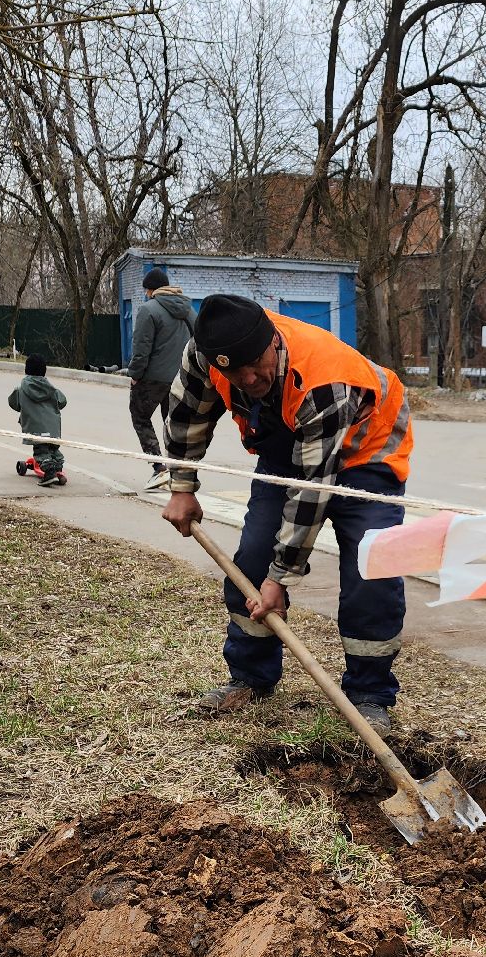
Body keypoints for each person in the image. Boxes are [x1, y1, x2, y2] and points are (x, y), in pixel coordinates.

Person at [159, 295, 413, 734]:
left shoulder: (324, 376)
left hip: (366, 455)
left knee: (372, 570)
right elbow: (186, 414)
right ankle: (251, 678)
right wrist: (181, 486)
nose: (250, 378)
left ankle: (369, 696)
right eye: (236, 373)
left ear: (272, 341)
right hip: (285, 449)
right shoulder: (204, 354)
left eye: (257, 363)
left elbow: (312, 492)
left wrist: (281, 579)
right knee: (253, 558)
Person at [130, 267, 194, 490]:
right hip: (180, 377)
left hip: (152, 379)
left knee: (140, 417)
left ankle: (159, 468)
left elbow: (141, 347)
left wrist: (135, 375)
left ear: (150, 290)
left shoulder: (148, 310)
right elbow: (198, 340)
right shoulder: (187, 308)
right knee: (172, 423)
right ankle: (178, 471)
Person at [8, 354, 67, 487]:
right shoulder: (52, 389)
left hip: (36, 428)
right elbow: (62, 401)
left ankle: (49, 473)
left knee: (41, 451)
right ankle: (58, 467)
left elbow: (14, 403)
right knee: (53, 449)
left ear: (26, 370)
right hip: (53, 428)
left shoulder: (21, 389)